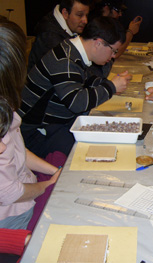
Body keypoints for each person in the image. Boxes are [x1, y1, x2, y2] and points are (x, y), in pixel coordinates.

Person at [18, 16, 131, 158]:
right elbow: (77, 103)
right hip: (34, 132)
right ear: (98, 43)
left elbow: (82, 81)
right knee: (94, 153)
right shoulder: (65, 60)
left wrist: (107, 85)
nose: (113, 56)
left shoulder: (72, 50)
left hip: (52, 124)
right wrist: (111, 87)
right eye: (113, 50)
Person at [0, 20, 62, 231]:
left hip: (27, 188)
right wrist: (47, 186)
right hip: (13, 215)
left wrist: (57, 172)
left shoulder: (4, 101)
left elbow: (17, 149)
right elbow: (10, 193)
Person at [27, 0, 90, 71]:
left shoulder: (66, 28)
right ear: (65, 13)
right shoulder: (49, 36)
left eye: (86, 15)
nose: (85, 21)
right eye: (79, 15)